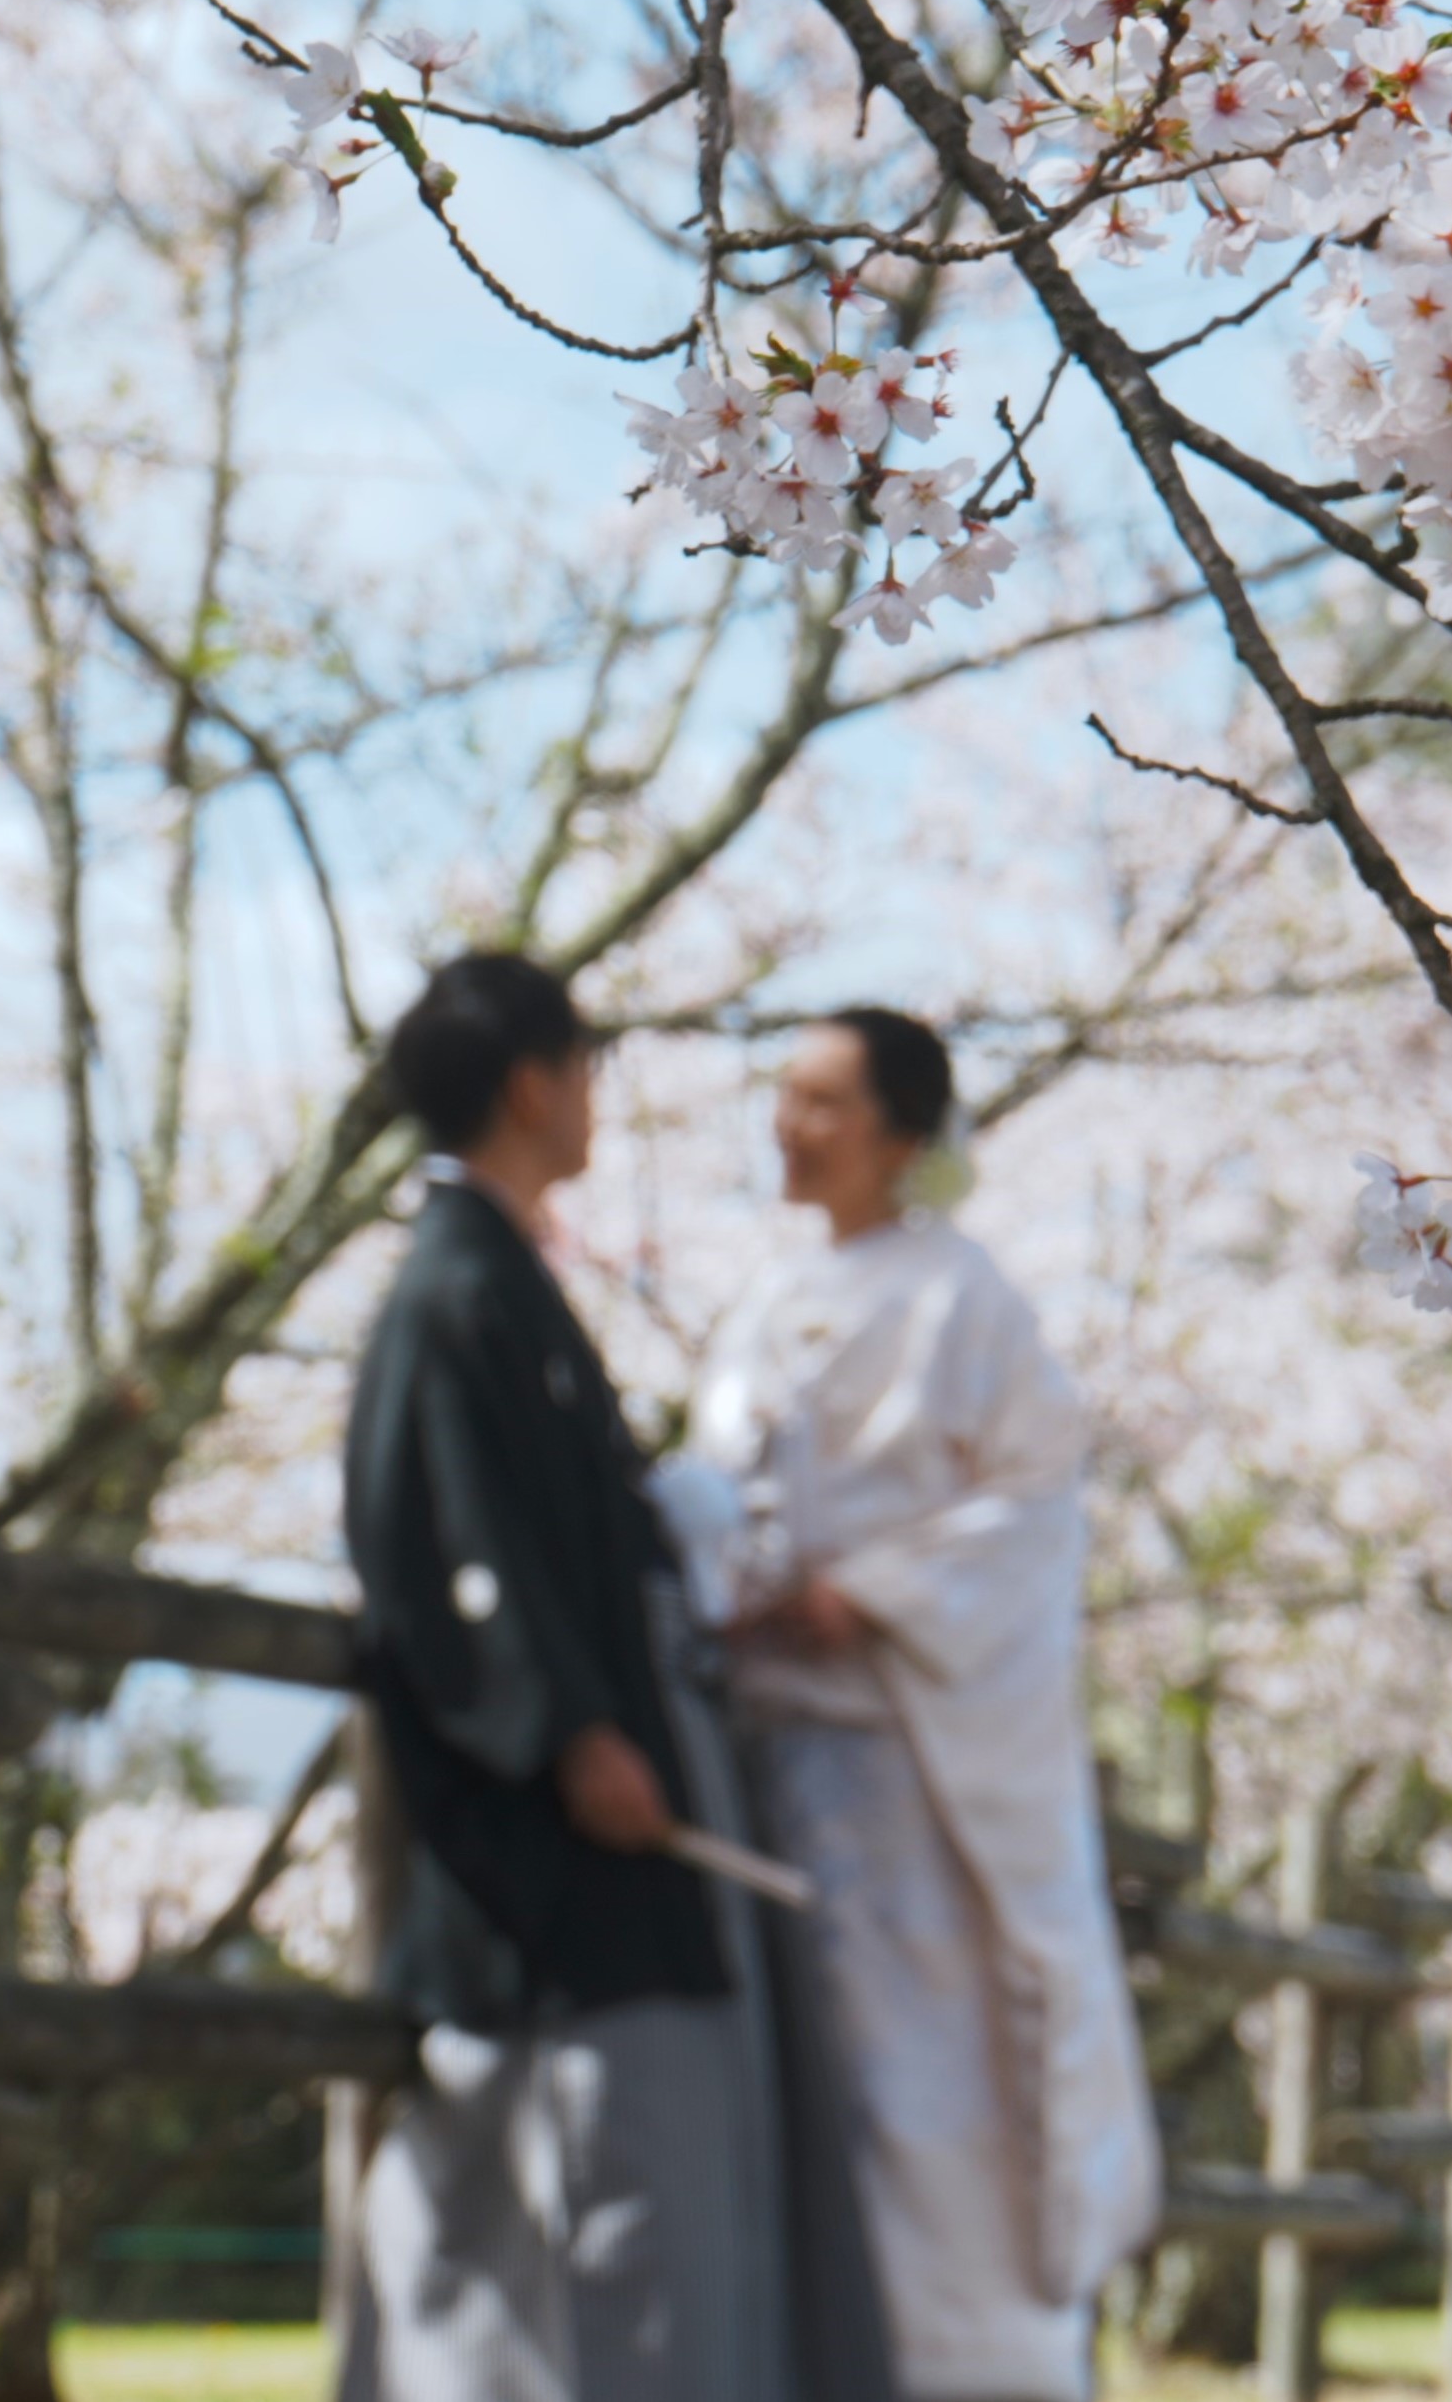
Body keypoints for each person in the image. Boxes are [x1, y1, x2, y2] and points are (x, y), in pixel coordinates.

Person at [335, 952, 890, 2402]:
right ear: (531, 1081)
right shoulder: (453, 1295)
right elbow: (457, 1553)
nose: (592, 1096)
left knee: (659, 2213)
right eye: (582, 1066)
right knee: (579, 2225)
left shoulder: (506, 1282)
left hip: (629, 1820)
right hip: (561, 1853)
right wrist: (573, 1727)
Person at [690, 1008, 1163, 2402]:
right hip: (768, 1744)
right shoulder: (760, 1309)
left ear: (906, 1131)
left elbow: (1032, 1512)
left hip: (911, 1758)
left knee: (928, 2078)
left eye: (824, 1098)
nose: (792, 1122)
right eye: (784, 1093)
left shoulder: (969, 1297)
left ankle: (967, 2369)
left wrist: (872, 1595)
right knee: (801, 2078)